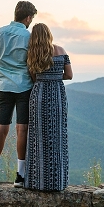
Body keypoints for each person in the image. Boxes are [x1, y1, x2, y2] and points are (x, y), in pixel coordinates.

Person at [0, 0, 37, 187]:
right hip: (24, 86)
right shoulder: (29, 36)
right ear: (28, 17)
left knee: (1, 128)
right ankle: (20, 176)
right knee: (22, 129)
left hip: (3, 86)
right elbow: (31, 64)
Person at [24, 23, 73, 191]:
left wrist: (44, 77)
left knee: (38, 138)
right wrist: (55, 76)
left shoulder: (32, 54)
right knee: (58, 136)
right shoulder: (61, 51)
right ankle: (58, 182)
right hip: (57, 94)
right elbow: (69, 75)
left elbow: (32, 77)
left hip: (39, 94)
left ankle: (36, 182)